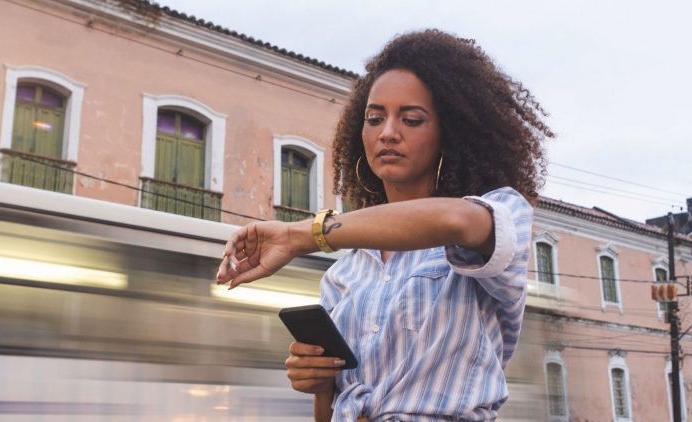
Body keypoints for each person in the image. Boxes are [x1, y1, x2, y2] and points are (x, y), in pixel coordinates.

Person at [216, 29, 552, 421]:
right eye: (375, 118)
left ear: (450, 132)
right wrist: (320, 384)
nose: (388, 132)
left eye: (411, 119)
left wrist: (298, 235)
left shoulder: (497, 217)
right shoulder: (345, 274)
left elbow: (453, 219)